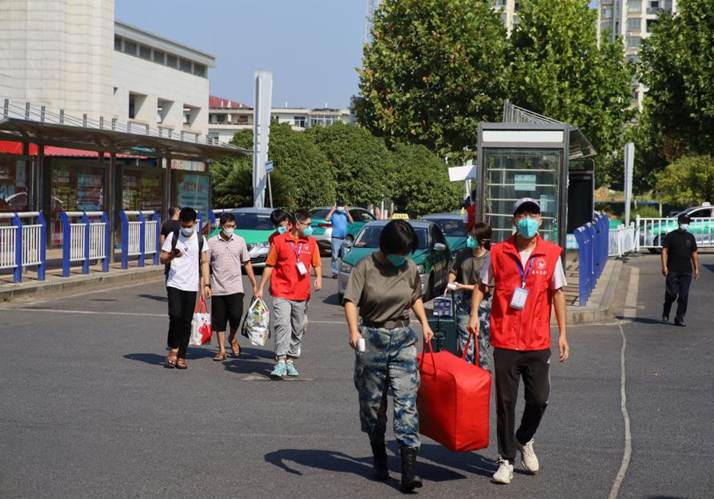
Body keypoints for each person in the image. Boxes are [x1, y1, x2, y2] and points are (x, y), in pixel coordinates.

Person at [468, 198, 569, 485]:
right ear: (514, 221)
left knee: (538, 399)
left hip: (537, 340)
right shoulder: (499, 252)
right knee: (505, 402)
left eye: (533, 214)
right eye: (522, 214)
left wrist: (562, 333)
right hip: (505, 339)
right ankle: (505, 460)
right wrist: (474, 314)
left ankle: (524, 438)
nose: (528, 219)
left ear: (541, 220)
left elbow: (558, 293)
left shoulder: (551, 254)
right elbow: (481, 286)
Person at [343, 220, 434, 493]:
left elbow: (415, 296)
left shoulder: (409, 268)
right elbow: (350, 301)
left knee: (406, 403)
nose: (404, 257)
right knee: (373, 407)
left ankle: (408, 472)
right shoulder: (366, 267)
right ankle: (379, 457)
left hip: (403, 339)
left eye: (408, 252)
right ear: (387, 247)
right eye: (401, 252)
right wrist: (352, 331)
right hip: (372, 339)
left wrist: (425, 323)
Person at [256, 210, 322, 378]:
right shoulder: (278, 241)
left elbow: (317, 264)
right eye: (307, 224)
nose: (310, 228)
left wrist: (319, 278)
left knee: (297, 328)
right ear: (297, 224)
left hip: (302, 293)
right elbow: (270, 265)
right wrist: (261, 287)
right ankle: (280, 360)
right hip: (281, 291)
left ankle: (291, 360)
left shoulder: (311, 243)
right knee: (282, 325)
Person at [159, 207, 210, 370]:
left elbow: (204, 262)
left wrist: (206, 285)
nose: (187, 229)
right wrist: (172, 255)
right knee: (175, 316)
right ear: (180, 222)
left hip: (191, 285)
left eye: (189, 226)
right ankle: (173, 350)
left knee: (186, 321)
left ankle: (182, 355)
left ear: (195, 223)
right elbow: (162, 258)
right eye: (184, 226)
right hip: (174, 283)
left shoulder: (201, 239)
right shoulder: (173, 237)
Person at [208, 212, 258, 361]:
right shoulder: (211, 242)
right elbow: (205, 264)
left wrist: (254, 284)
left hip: (236, 287)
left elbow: (247, 263)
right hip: (218, 288)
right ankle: (222, 350)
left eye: (233, 226)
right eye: (228, 226)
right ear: (221, 226)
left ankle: (232, 337)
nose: (231, 229)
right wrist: (205, 285)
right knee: (219, 321)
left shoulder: (240, 241)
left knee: (236, 316)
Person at [446, 222, 492, 370]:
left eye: (473, 236)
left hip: (483, 304)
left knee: (481, 342)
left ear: (483, 241)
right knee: (466, 341)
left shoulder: (490, 258)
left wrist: (461, 286)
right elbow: (454, 271)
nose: (469, 238)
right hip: (463, 302)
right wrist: (450, 282)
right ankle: (467, 375)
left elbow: (484, 287)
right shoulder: (463, 253)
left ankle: (482, 374)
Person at [661, 213, 700, 326]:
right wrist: (664, 266)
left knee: (683, 296)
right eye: (684, 222)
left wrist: (696, 269)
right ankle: (666, 310)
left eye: (687, 223)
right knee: (672, 294)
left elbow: (694, 253)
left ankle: (679, 318)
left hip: (686, 271)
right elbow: (664, 251)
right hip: (672, 270)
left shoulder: (690, 237)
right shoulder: (671, 236)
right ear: (679, 223)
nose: (686, 224)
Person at [324, 200, 354, 278]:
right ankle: (335, 273)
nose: (340, 207)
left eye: (341, 206)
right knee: (334, 256)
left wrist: (347, 212)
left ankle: (343, 272)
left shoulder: (345, 214)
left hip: (344, 238)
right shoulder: (333, 214)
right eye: (339, 206)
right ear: (336, 206)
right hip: (335, 238)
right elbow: (326, 219)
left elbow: (352, 222)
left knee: (345, 256)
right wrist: (332, 210)